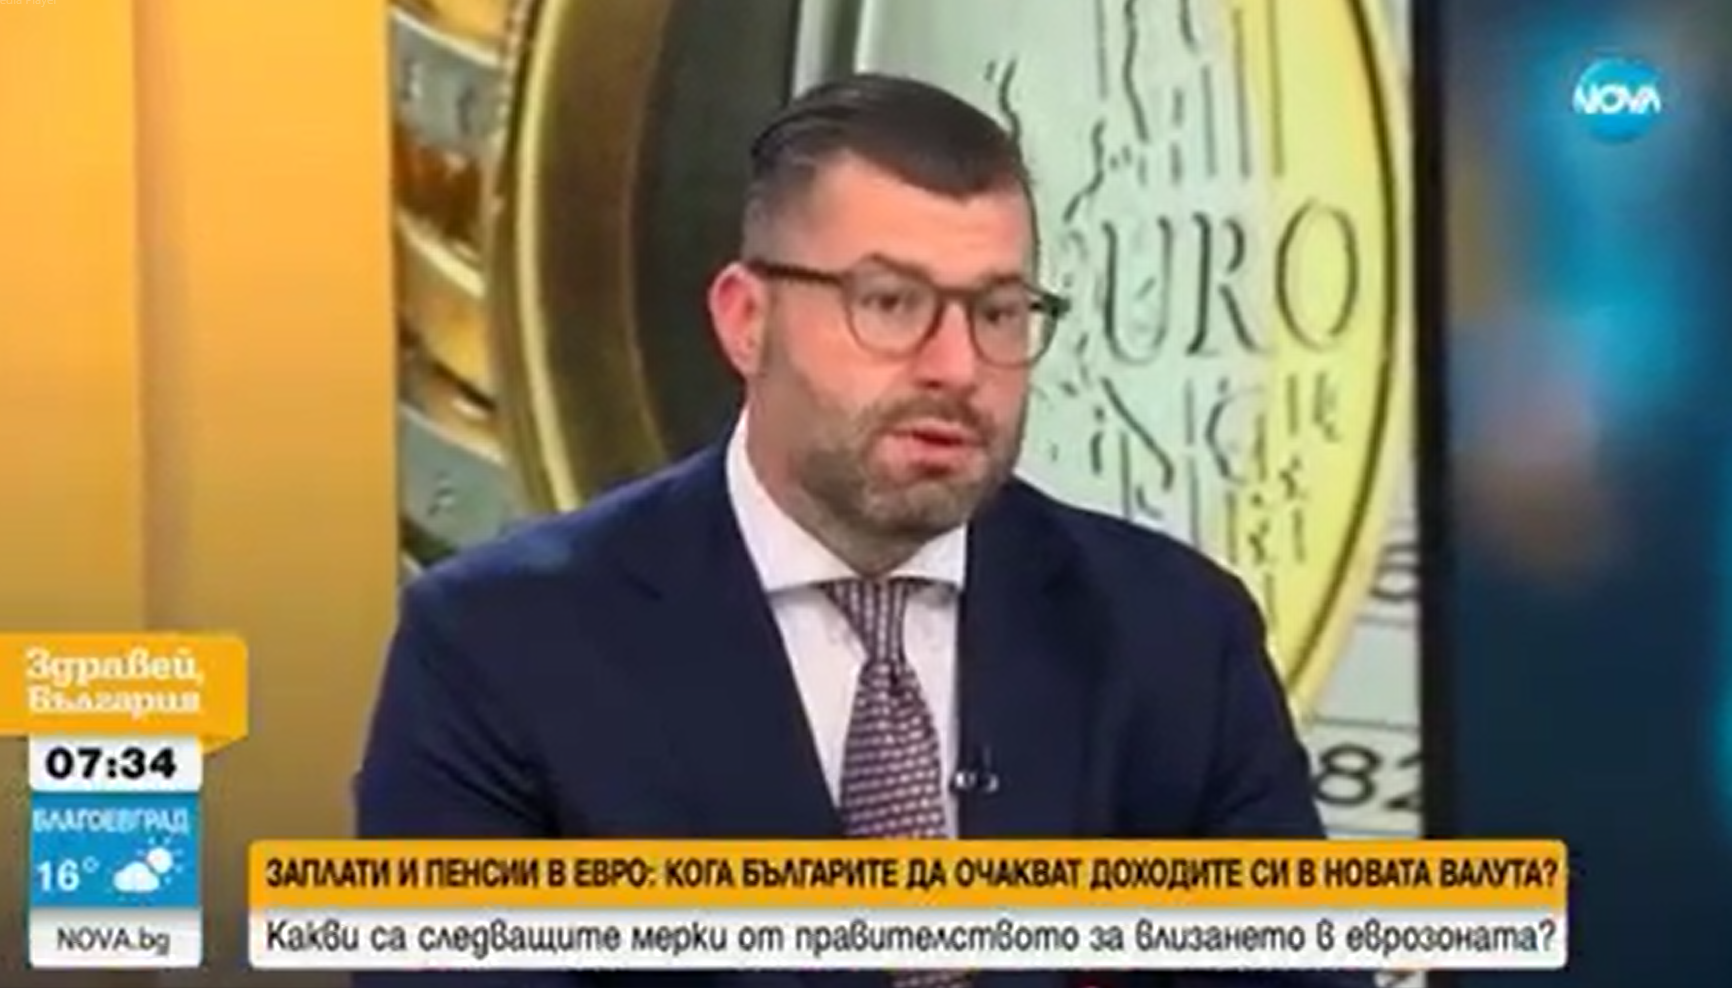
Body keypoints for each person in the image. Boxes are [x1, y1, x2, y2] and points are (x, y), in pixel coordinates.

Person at [357, 73, 1364, 988]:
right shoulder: (499, 649)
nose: (957, 367)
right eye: (890, 302)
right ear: (746, 319)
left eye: (999, 313)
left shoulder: (1175, 637)